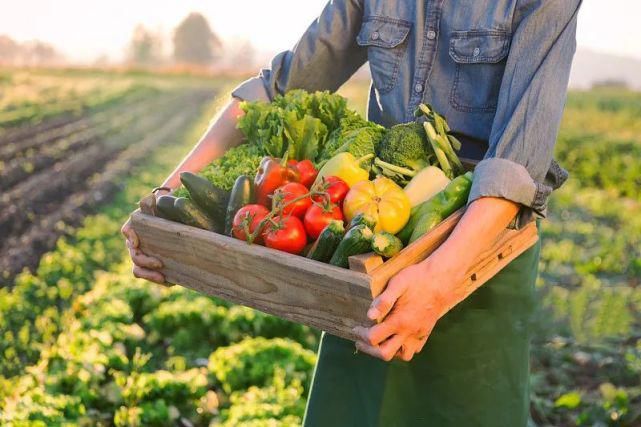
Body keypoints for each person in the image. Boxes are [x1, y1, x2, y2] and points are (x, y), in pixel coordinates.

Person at [122, 0, 582, 425]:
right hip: (373, 251)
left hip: (480, 249)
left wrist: (439, 283)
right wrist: (164, 198)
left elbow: (518, 161)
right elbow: (279, 88)